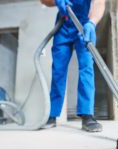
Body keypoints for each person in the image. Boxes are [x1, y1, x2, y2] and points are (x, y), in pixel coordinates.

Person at [40, 0, 106, 132]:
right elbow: (43, 1)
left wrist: (92, 23)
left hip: (84, 24)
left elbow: (99, 2)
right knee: (58, 70)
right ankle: (52, 114)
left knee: (86, 67)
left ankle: (87, 115)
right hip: (63, 25)